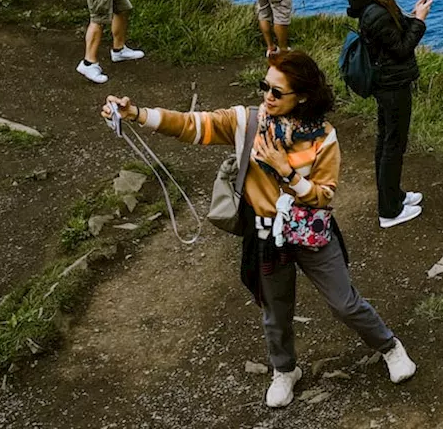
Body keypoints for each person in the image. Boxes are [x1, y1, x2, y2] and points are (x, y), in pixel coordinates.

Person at [100, 51, 416, 408]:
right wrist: (137, 114)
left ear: (304, 96)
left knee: (344, 303)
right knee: (275, 311)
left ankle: (389, 346)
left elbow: (323, 195)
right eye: (264, 86)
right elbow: (193, 125)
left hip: (311, 232)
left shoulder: (324, 138)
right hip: (267, 235)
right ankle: (285, 371)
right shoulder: (247, 122)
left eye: (277, 91)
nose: (267, 95)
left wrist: (288, 174)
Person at [346, 0, 433, 228]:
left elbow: (392, 37)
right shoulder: (377, 11)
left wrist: (411, 15)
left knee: (387, 141)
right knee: (393, 145)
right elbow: (402, 48)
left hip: (388, 83)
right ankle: (389, 211)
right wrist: (420, 21)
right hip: (392, 85)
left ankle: (394, 195)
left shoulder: (376, 3)